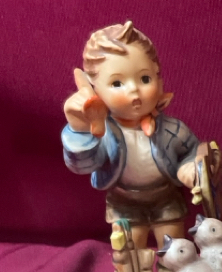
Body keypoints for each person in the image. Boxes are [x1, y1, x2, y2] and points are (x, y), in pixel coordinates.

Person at [61, 21, 204, 252]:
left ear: (159, 80)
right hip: (124, 202)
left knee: (176, 248)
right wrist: (80, 128)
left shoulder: (172, 129)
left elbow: (194, 150)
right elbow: (82, 165)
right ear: (93, 89)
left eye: (145, 79)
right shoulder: (103, 133)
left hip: (166, 197)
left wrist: (191, 167)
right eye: (117, 83)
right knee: (129, 251)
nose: (134, 90)